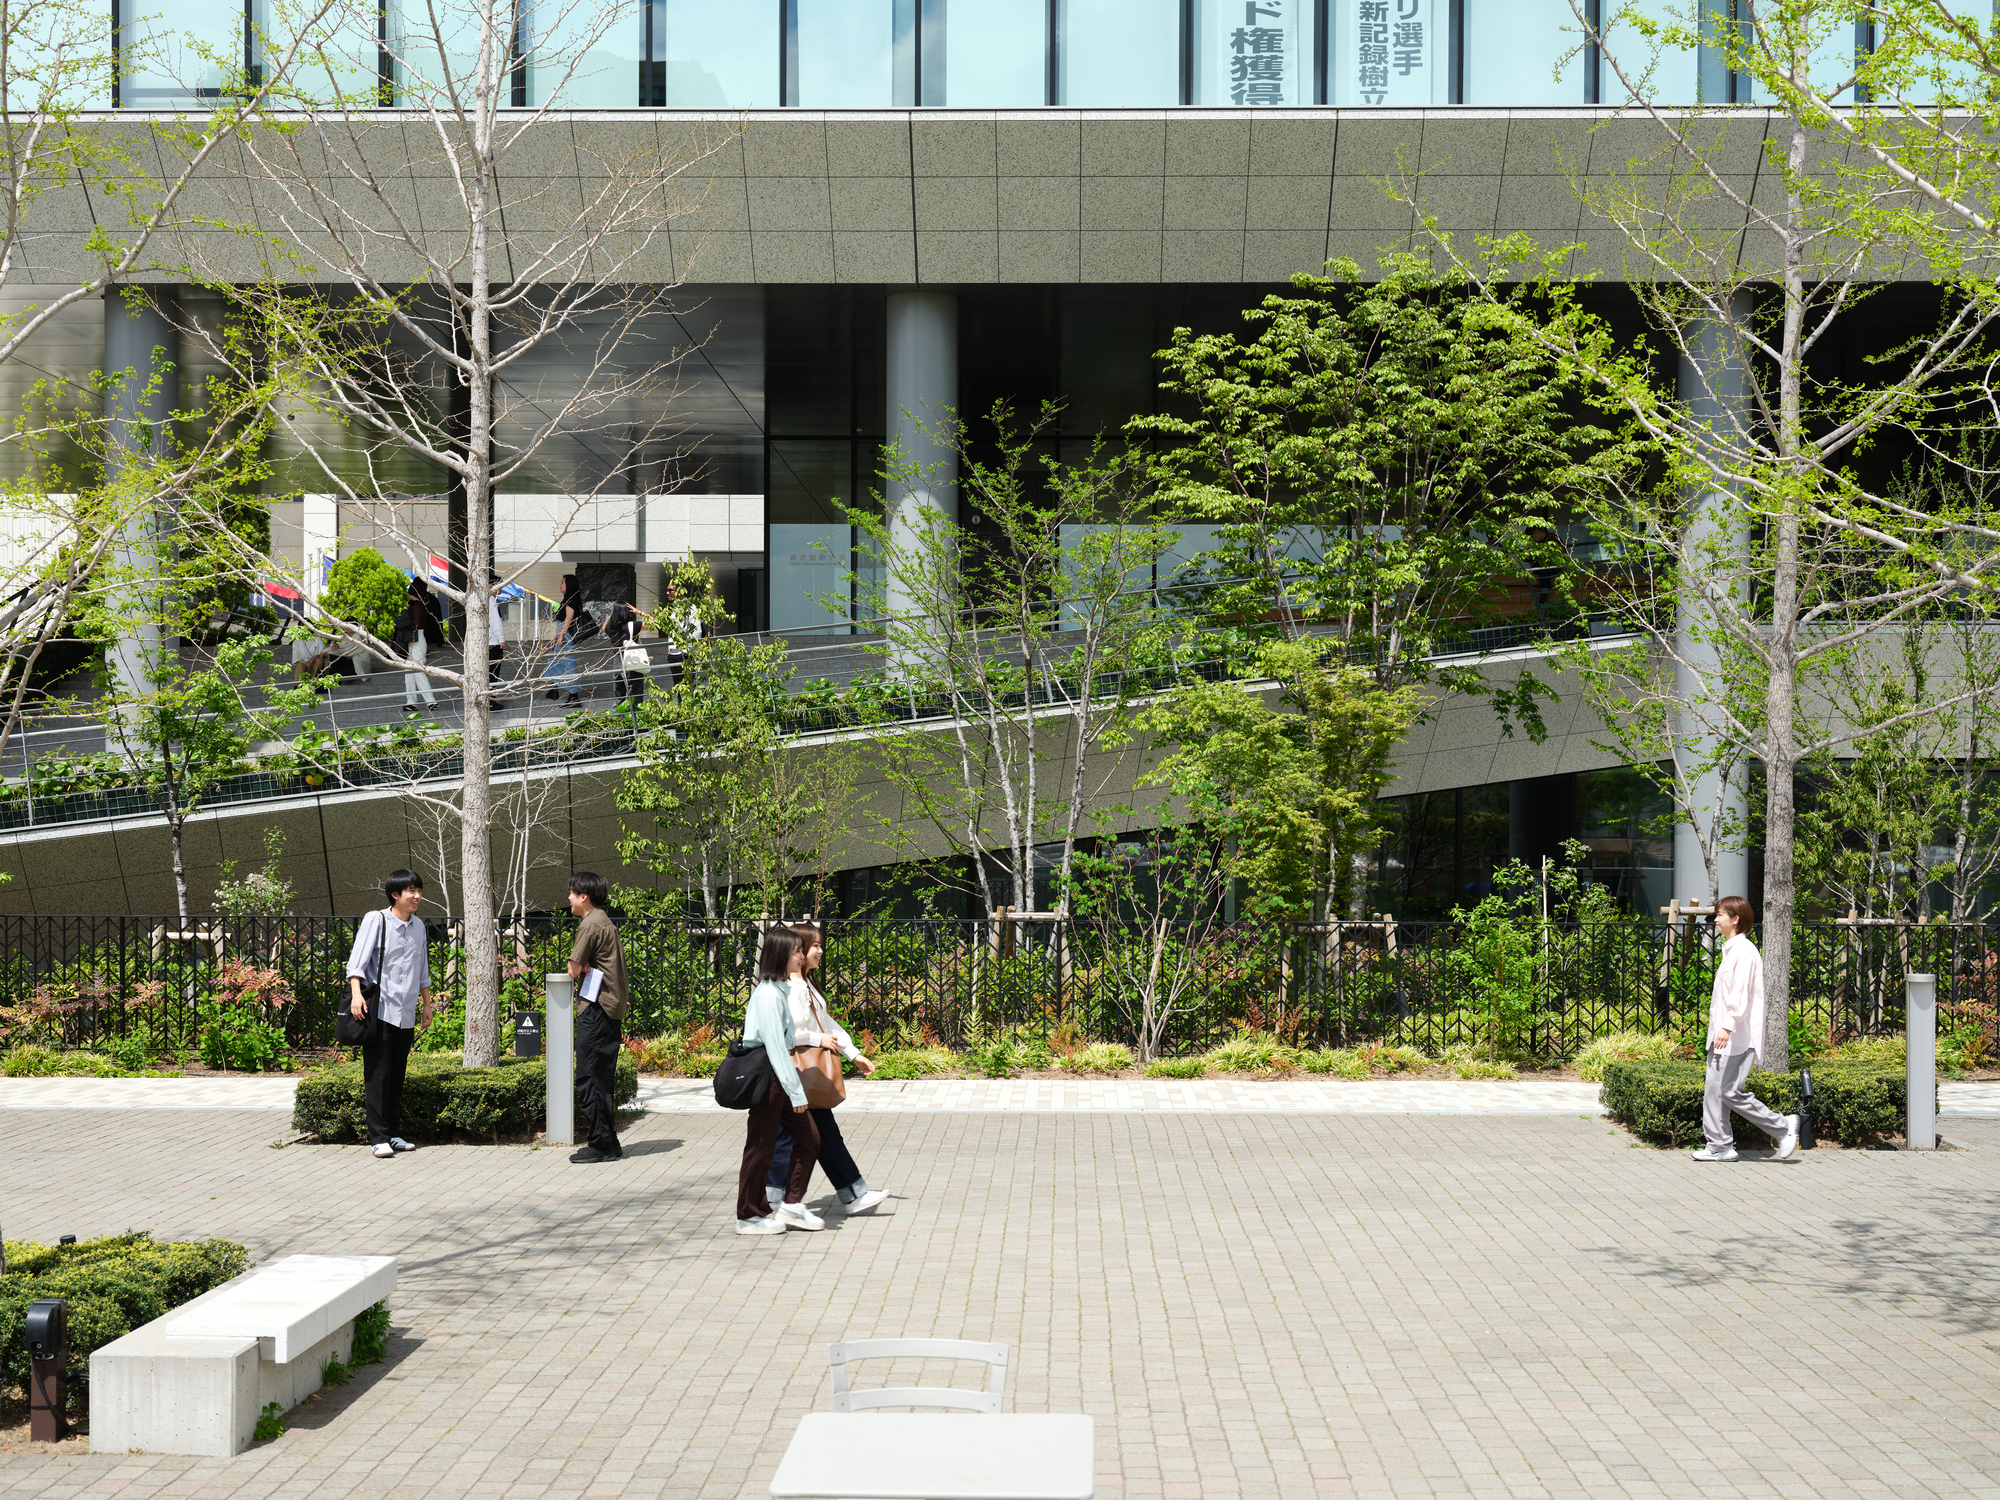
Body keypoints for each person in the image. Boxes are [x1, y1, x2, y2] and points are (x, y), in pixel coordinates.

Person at [765, 923, 887, 1214]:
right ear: (798, 950)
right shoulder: (792, 989)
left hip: (807, 1074)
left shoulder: (805, 984)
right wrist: (819, 1039)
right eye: (814, 946)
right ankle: (775, 1201)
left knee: (819, 1135)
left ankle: (851, 1194)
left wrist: (852, 1052)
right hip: (796, 1073)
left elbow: (827, 1022)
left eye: (820, 945)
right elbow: (788, 1032)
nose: (820, 951)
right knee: (796, 1137)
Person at [1692, 895, 1800, 1163]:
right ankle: (1719, 1146)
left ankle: (1783, 1127)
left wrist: (1727, 1027)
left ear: (1735, 919)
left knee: (1729, 1091)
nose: (1715, 919)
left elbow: (1739, 996)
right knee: (1715, 1092)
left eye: (1720, 915)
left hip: (1736, 1037)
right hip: (1726, 1035)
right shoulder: (1731, 949)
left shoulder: (1744, 951)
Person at [736, 927, 822, 1235]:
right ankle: (748, 1215)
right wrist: (797, 1093)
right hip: (771, 1080)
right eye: (797, 950)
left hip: (780, 1081)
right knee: (760, 1148)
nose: (802, 955)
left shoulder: (780, 990)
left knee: (810, 1138)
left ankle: (792, 1204)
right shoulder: (770, 995)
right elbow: (775, 1049)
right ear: (781, 954)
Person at [344, 870, 435, 1159]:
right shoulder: (377, 920)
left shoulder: (419, 926)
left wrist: (427, 1004)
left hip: (406, 1010)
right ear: (395, 894)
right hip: (379, 1008)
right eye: (411, 891)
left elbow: (422, 969)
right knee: (378, 1074)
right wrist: (356, 995)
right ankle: (378, 1136)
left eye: (418, 890)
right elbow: (356, 962)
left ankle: (393, 1133)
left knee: (396, 1074)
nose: (417, 896)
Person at [564, 871, 629, 1162]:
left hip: (596, 1009)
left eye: (571, 893)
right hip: (610, 1010)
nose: (568, 899)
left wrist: (583, 966)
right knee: (602, 1078)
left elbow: (573, 969)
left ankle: (601, 1145)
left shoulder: (590, 925)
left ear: (583, 896)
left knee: (588, 1077)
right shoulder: (605, 921)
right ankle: (609, 1143)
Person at [395, 579, 438, 716]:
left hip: (416, 639)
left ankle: (430, 701)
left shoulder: (417, 606)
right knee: (410, 671)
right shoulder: (419, 605)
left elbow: (416, 625)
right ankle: (411, 702)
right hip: (416, 639)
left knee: (418, 671)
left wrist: (404, 620)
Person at [545, 574, 586, 707]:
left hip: (567, 636)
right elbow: (563, 621)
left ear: (569, 584)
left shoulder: (572, 599)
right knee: (553, 661)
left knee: (568, 665)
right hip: (563, 634)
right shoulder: (568, 598)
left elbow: (568, 619)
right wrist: (556, 637)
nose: (560, 584)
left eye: (562, 582)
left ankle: (574, 697)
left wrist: (561, 636)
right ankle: (554, 689)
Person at [604, 599, 645, 707]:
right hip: (632, 659)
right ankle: (634, 717)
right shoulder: (634, 625)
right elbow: (656, 623)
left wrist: (611, 617)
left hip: (617, 661)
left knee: (619, 694)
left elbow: (604, 626)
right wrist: (639, 612)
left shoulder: (610, 628)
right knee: (635, 693)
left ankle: (618, 718)